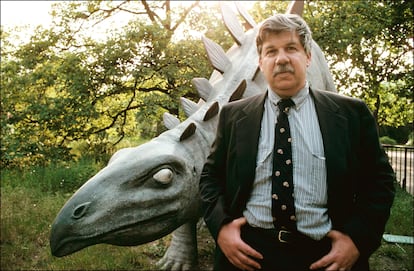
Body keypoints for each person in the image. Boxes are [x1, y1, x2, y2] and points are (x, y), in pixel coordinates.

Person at [199, 13, 395, 271]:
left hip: (325, 256)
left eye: (291, 48)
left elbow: (379, 182)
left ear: (308, 56)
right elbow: (210, 177)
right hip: (249, 256)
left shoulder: (351, 114)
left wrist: (356, 239)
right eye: (271, 51)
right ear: (261, 61)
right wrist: (222, 227)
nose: (281, 59)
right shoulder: (233, 115)